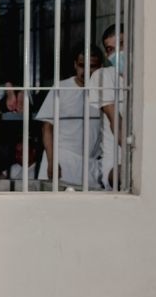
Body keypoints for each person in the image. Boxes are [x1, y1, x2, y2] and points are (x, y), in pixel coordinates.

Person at [35, 44, 105, 188]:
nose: (86, 71)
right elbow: (47, 128)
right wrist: (52, 161)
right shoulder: (61, 88)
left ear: (100, 67)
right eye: (81, 65)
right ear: (75, 65)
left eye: (92, 66)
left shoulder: (106, 91)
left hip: (91, 165)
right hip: (61, 161)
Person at [95, 24, 127, 189]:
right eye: (110, 49)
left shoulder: (147, 77)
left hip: (147, 156)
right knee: (128, 174)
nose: (117, 53)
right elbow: (117, 123)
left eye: (121, 44)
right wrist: (137, 157)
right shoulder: (103, 76)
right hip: (116, 162)